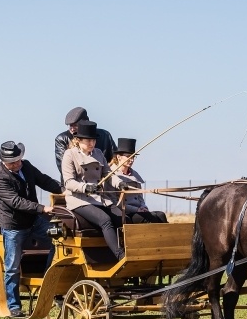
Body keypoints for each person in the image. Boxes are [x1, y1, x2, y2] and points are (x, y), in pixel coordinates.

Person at [0, 140, 63, 318]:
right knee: (12, 267)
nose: (18, 164)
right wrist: (42, 208)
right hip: (14, 227)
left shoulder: (26, 166)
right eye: (13, 162)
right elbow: (16, 202)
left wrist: (62, 189)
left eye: (19, 159)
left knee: (59, 239)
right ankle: (14, 305)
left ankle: (49, 281)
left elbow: (44, 180)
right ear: (4, 162)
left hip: (35, 221)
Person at [61, 120, 127, 260]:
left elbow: (108, 175)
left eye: (94, 140)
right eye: (88, 140)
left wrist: (120, 183)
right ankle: (121, 257)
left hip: (101, 199)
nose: (92, 143)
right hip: (79, 200)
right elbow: (69, 182)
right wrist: (86, 187)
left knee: (123, 219)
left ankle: (132, 252)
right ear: (78, 140)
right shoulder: (69, 155)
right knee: (105, 220)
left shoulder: (98, 153)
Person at [110, 138, 168, 224]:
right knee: (149, 218)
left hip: (139, 210)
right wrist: (137, 209)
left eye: (133, 157)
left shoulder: (135, 175)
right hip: (125, 212)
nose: (132, 160)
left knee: (161, 215)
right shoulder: (111, 175)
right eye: (128, 156)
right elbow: (115, 203)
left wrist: (143, 207)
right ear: (119, 157)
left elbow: (140, 198)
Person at [54, 107, 116, 179]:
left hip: (103, 183)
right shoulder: (61, 139)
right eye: (70, 125)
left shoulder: (105, 135)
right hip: (74, 184)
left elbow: (115, 160)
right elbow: (64, 168)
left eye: (75, 125)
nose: (72, 128)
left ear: (85, 123)